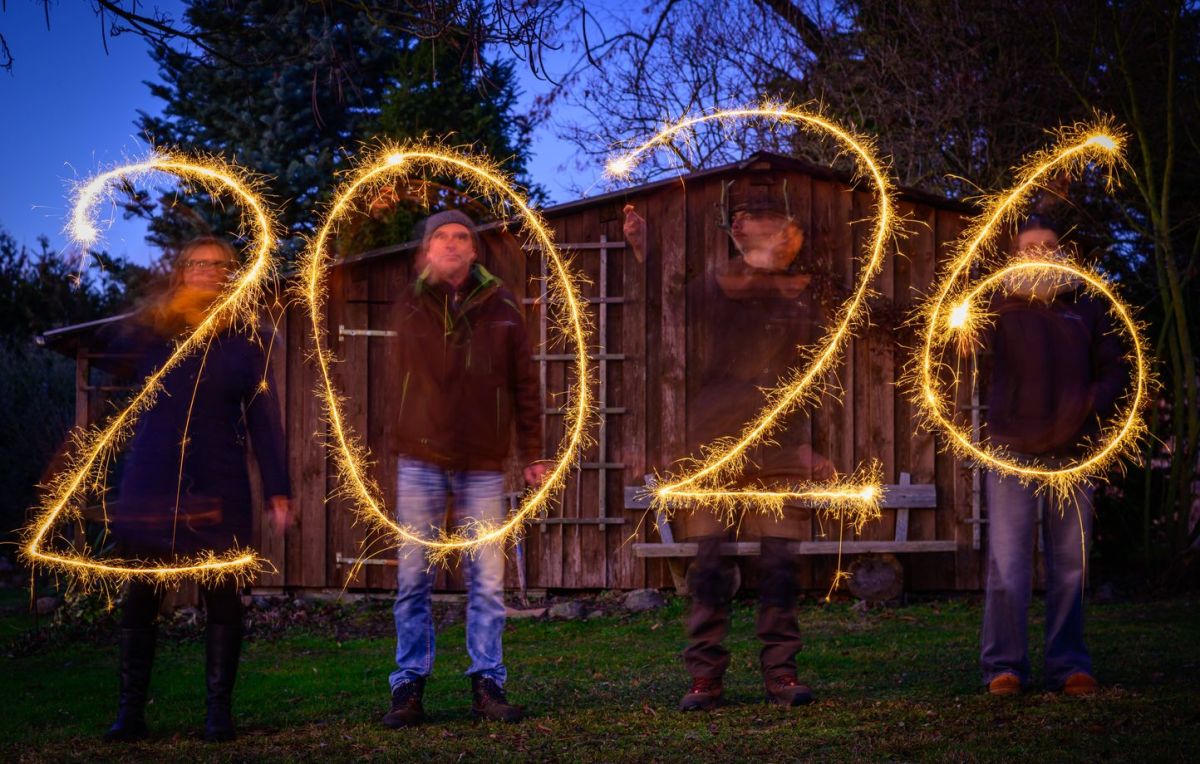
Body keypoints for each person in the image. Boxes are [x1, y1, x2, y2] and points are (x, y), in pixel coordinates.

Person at [624, 193, 834, 713]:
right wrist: (646, 252)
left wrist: (815, 447)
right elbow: (668, 311)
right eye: (737, 217)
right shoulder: (715, 287)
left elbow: (818, 378)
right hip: (711, 448)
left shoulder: (801, 296)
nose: (741, 223)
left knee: (781, 566)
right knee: (710, 566)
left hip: (780, 451)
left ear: (787, 231)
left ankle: (781, 672)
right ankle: (705, 677)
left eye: (756, 216)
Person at [102, 235, 291, 742]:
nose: (209, 272)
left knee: (223, 599)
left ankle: (217, 713)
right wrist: (149, 313)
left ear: (232, 276)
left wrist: (279, 488)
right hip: (152, 481)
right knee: (140, 598)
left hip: (219, 483)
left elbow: (263, 419)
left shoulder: (246, 341)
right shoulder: (157, 333)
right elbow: (115, 358)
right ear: (182, 272)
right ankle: (130, 714)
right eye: (198, 264)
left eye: (219, 266)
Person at [382, 209, 545, 728]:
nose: (451, 244)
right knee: (413, 578)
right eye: (440, 238)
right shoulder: (409, 305)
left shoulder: (502, 306)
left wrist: (534, 451)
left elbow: (524, 382)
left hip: (482, 462)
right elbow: (396, 380)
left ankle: (488, 683)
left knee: (487, 581)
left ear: (474, 251)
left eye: (460, 237)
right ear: (426, 251)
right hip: (421, 459)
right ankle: (408, 685)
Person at [979, 215, 1128, 697]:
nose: (1039, 254)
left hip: (1073, 451)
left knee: (1070, 562)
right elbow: (959, 356)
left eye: (1048, 245)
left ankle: (1068, 664)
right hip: (1010, 450)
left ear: (1062, 252)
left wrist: (1089, 403)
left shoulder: (1086, 306)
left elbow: (1117, 367)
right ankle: (1004, 667)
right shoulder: (996, 306)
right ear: (1014, 256)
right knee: (1008, 563)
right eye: (1029, 247)